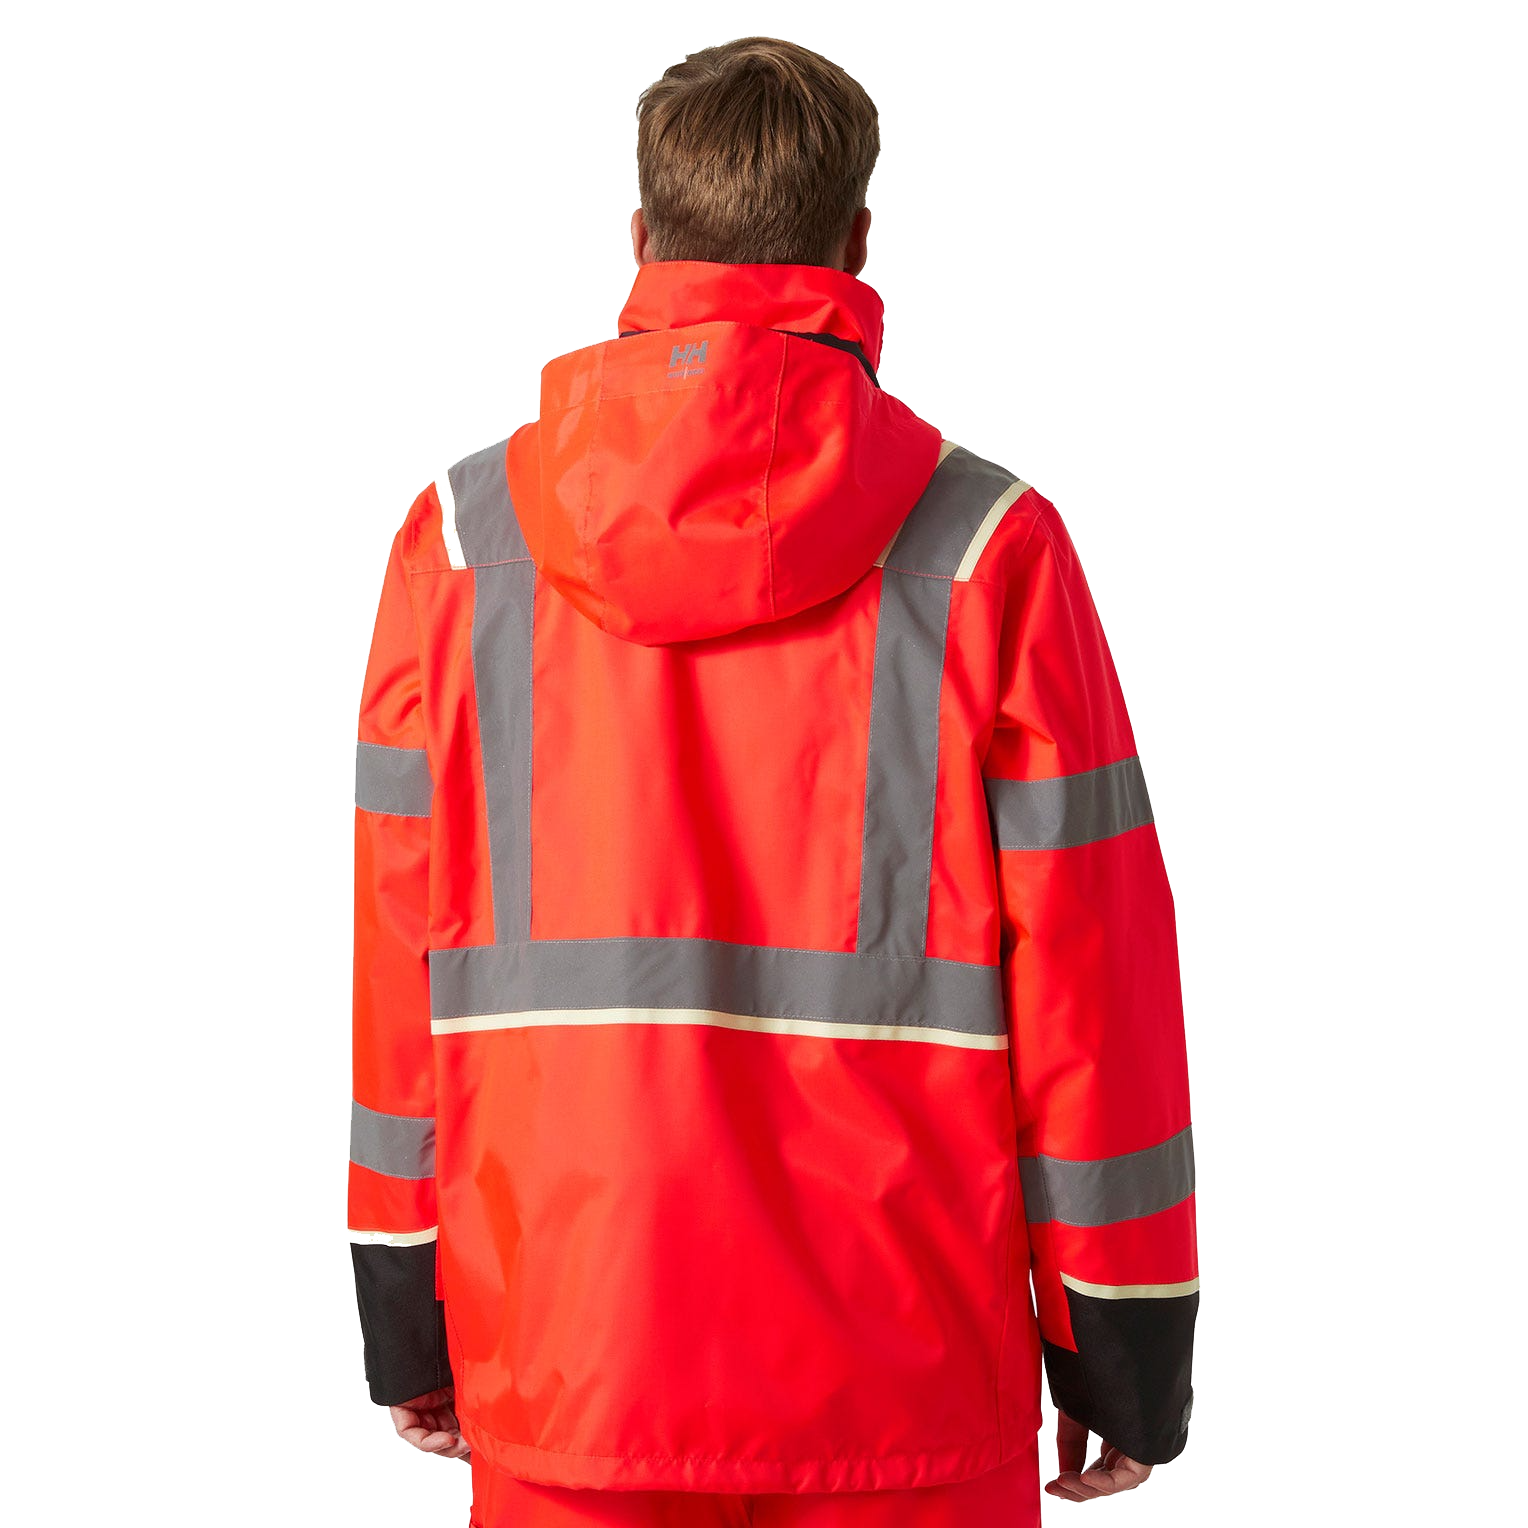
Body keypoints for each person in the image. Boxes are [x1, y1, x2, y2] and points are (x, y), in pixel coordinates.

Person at [347, 35, 1198, 1528]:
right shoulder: (991, 549)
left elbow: (399, 952)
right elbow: (1095, 978)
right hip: (905, 1387)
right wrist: (1121, 1343)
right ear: (857, 244)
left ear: (640, 241)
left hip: (569, 1365)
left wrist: (407, 1303)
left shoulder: (463, 546)